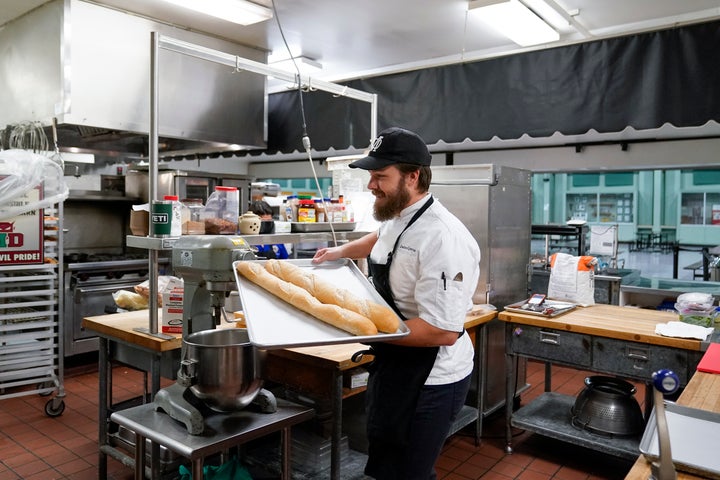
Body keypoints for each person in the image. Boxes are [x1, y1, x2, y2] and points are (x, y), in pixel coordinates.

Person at [312, 127, 481, 479]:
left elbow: (441, 331)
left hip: (432, 379)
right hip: (396, 362)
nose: (370, 185)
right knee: (389, 463)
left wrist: (357, 330)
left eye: (379, 177)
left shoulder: (443, 238)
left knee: (410, 472)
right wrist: (340, 252)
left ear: (413, 176)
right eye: (371, 176)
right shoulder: (401, 214)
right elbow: (381, 239)